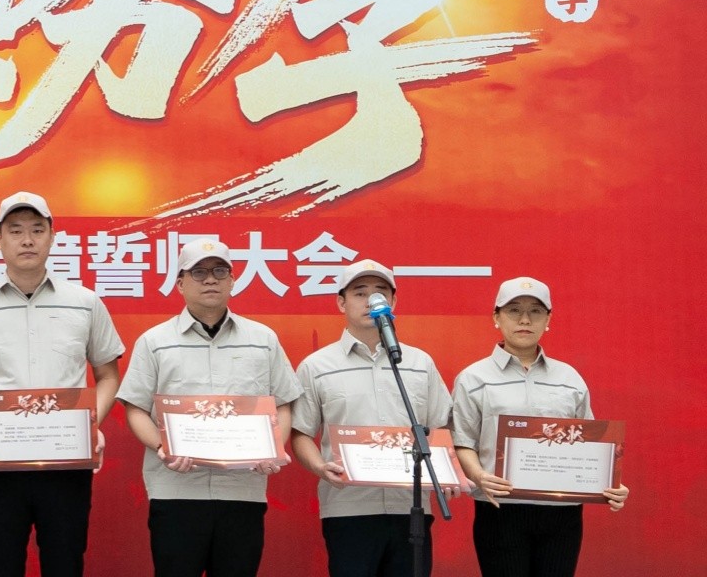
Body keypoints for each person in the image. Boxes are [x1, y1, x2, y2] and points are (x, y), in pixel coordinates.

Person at [0, 192, 125, 577]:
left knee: (65, 564)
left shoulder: (85, 303)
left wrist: (91, 423)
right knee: (0, 565)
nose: (27, 240)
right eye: (16, 231)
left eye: (37, 230)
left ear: (53, 237)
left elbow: (108, 375)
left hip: (66, 460)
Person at [117, 238, 302, 577]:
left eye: (219, 271)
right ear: (180, 283)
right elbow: (135, 408)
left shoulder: (263, 340)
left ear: (233, 280)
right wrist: (162, 447)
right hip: (176, 490)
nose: (210, 280)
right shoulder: (154, 342)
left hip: (242, 491)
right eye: (198, 273)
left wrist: (274, 448)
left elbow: (283, 402)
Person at [450, 277, 629, 577]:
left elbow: (589, 445)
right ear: (496, 317)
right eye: (514, 310)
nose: (525, 319)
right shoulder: (473, 378)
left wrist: (609, 482)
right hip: (500, 510)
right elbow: (462, 441)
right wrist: (479, 476)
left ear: (548, 320)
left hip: (562, 513)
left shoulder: (569, 378)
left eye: (535, 311)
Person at [290, 259, 453, 577]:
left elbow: (440, 427)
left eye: (380, 293)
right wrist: (320, 467)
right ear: (341, 303)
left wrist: (447, 471)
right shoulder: (317, 365)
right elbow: (300, 432)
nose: (371, 301)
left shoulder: (419, 363)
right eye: (360, 293)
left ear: (393, 302)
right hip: (348, 509)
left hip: (411, 507)